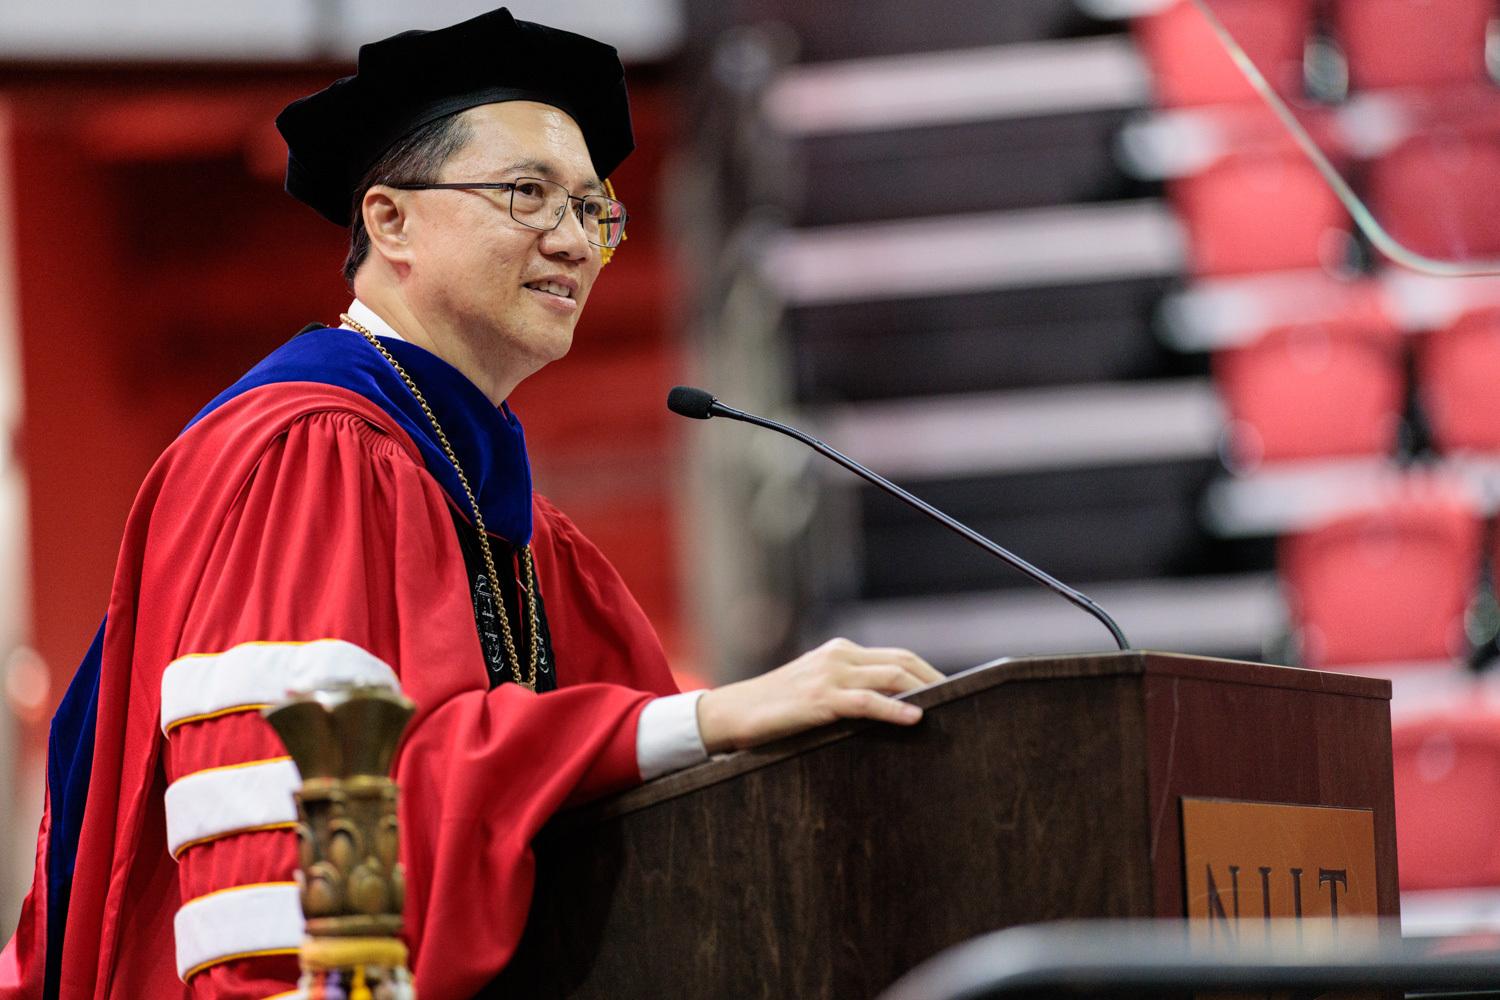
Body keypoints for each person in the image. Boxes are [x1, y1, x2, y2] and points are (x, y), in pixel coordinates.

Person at [0, 8, 941, 999]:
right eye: (528, 195)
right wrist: (708, 716)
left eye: (593, 211)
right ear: (389, 221)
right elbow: (308, 840)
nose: (573, 241)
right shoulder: (305, 453)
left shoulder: (523, 534)